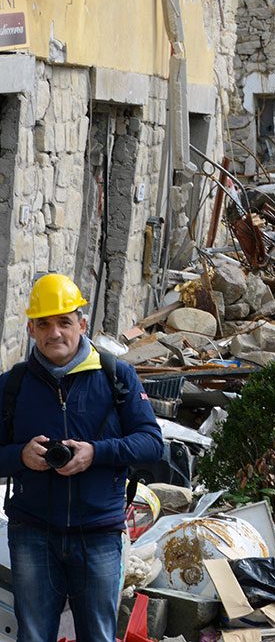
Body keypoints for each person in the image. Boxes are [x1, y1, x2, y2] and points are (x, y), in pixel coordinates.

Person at [0, 274, 163, 642]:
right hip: (32, 534)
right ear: (30, 328)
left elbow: (153, 444)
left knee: (99, 637)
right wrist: (20, 456)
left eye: (64, 322)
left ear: (82, 324)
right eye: (44, 323)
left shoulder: (116, 376)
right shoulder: (12, 385)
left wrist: (96, 452)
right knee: (34, 636)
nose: (54, 333)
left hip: (100, 534)